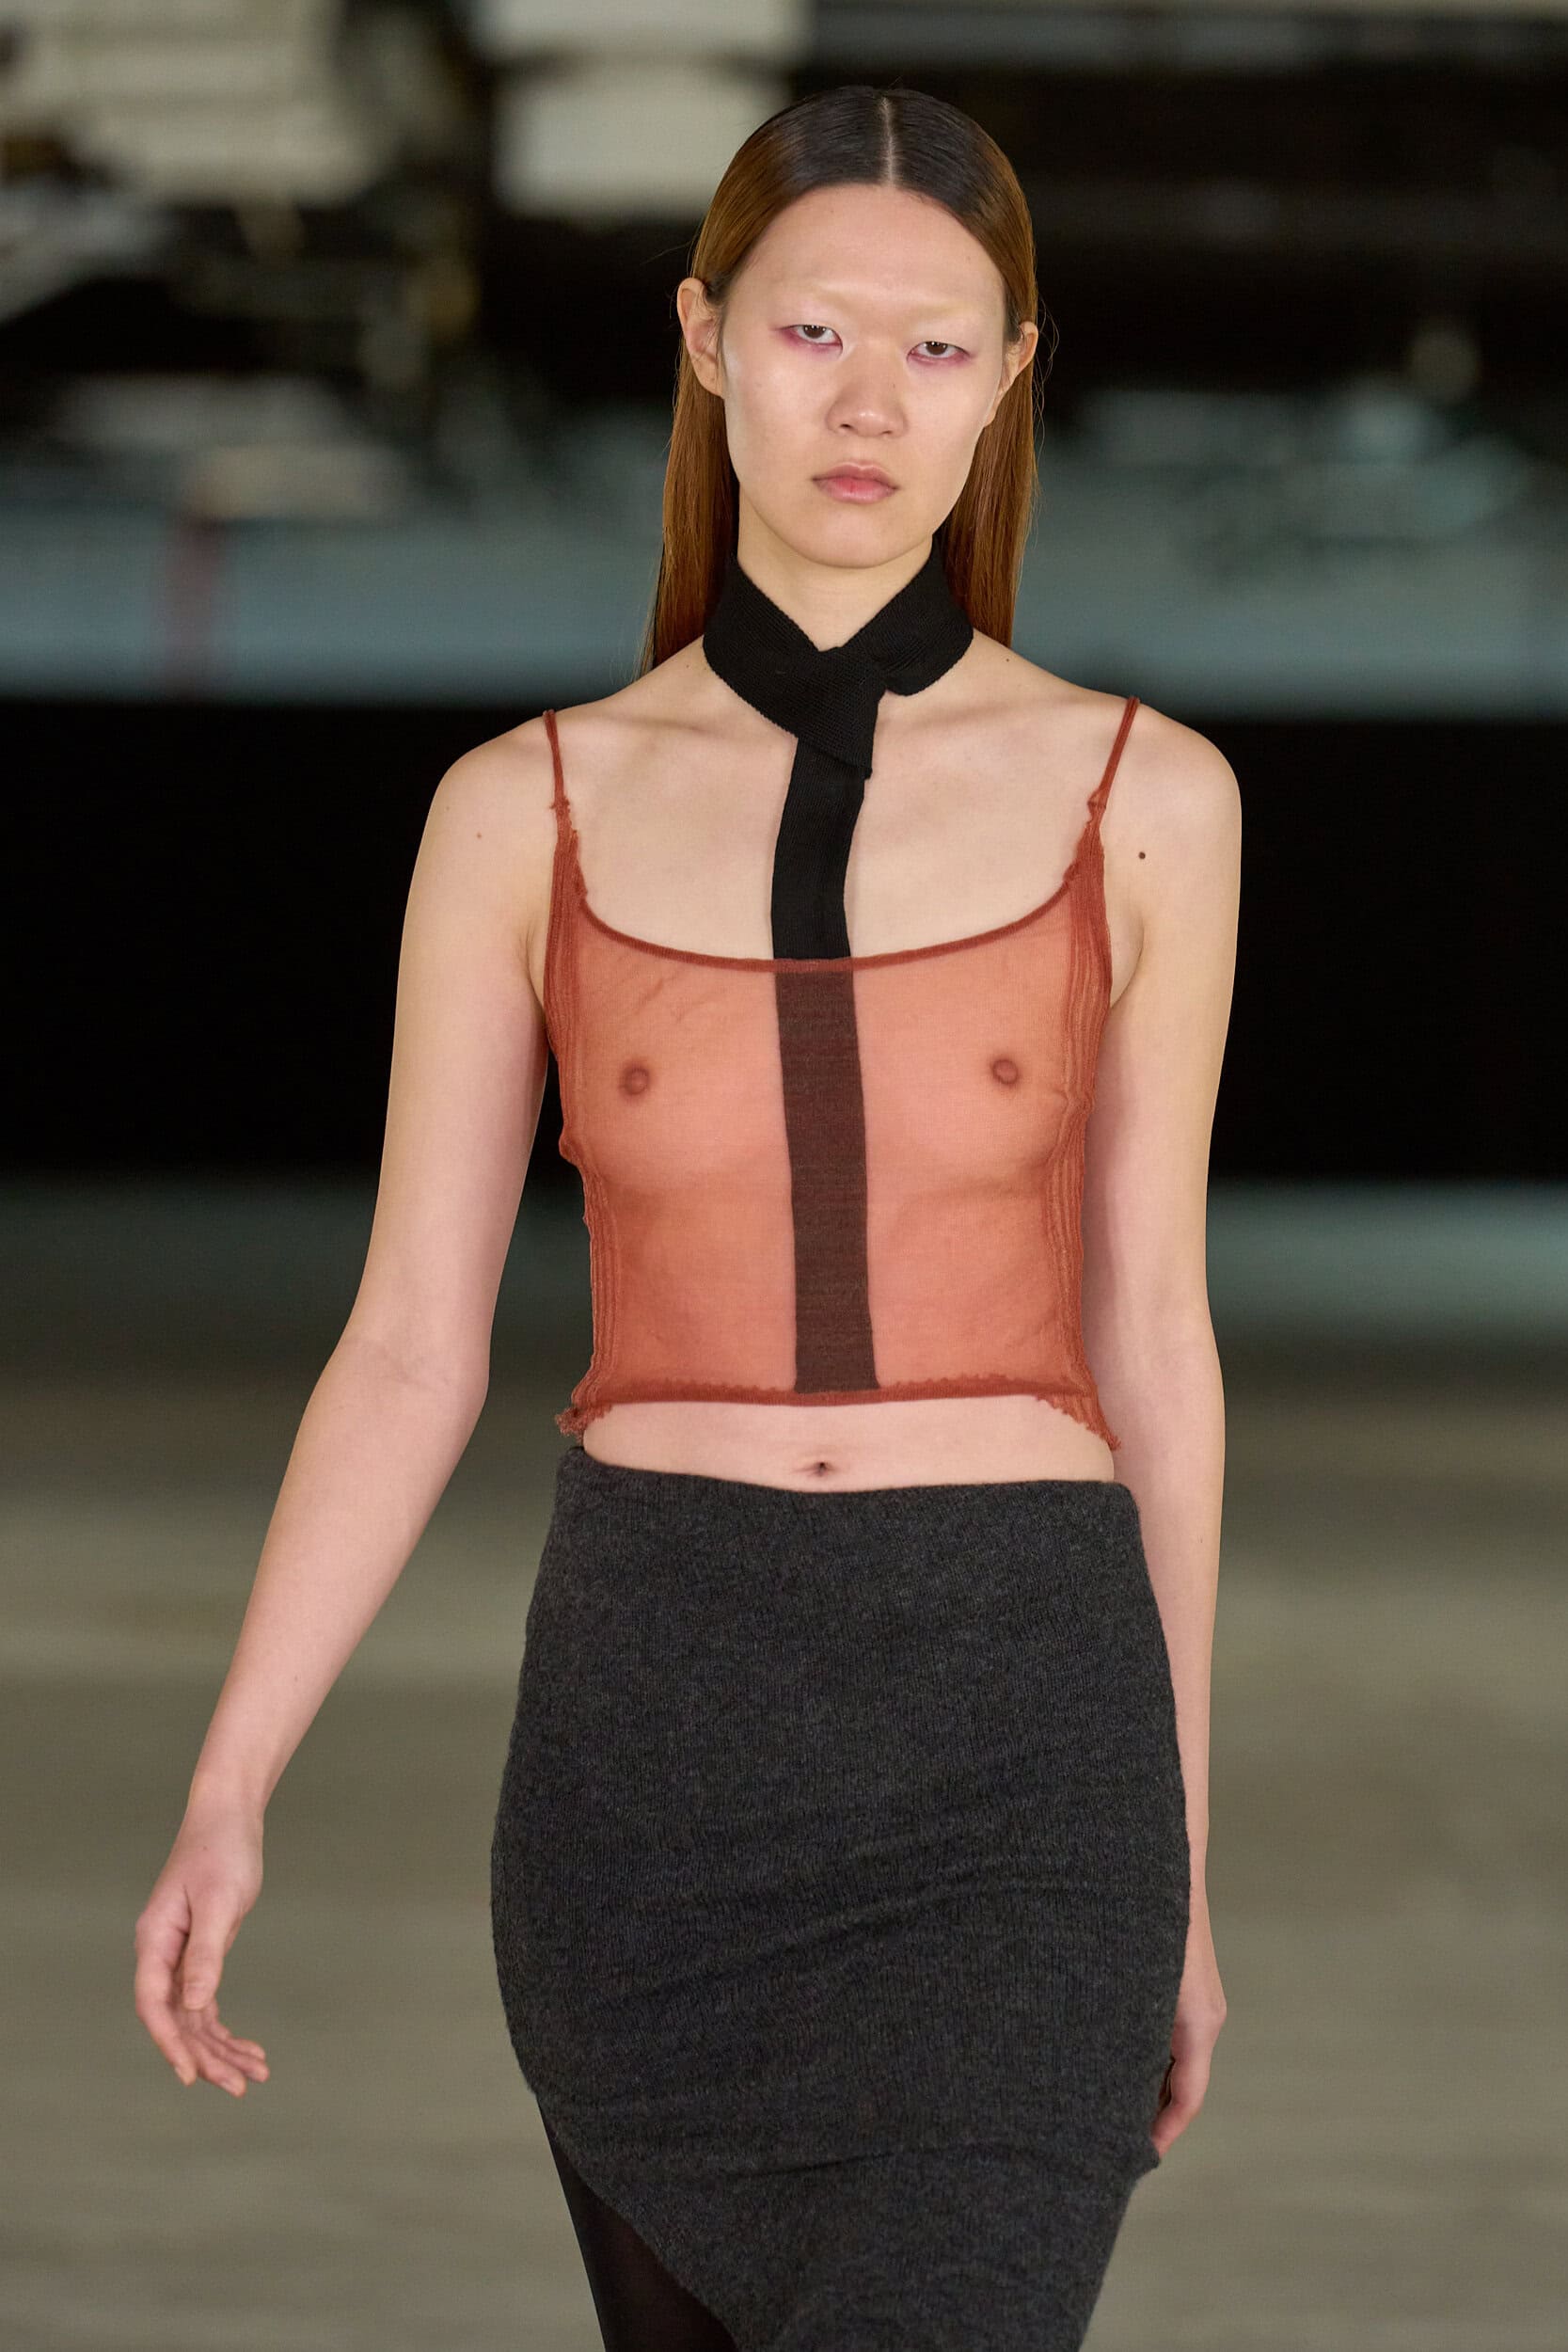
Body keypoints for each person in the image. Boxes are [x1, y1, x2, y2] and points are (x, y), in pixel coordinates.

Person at [134, 81, 1238, 2352]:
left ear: (1012, 380)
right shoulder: (517, 810)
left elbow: (1153, 1335)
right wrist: (231, 1780)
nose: (871, 402)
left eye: (938, 346)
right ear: (707, 340)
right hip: (656, 1735)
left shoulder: (1149, 799)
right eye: (813, 331)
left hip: (1023, 1747)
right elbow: (412, 1341)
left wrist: (1188, 1863)